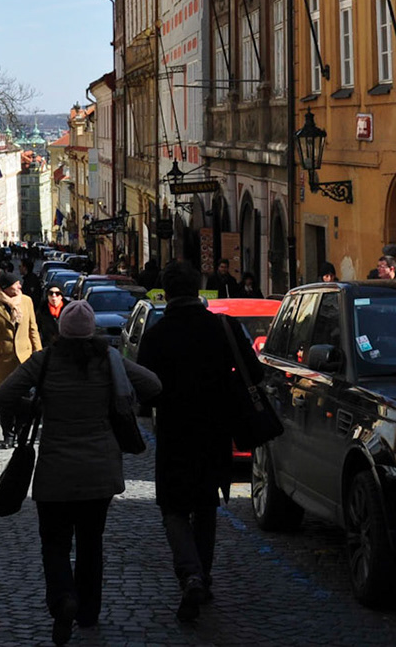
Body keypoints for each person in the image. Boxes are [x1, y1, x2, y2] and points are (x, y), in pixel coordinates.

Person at [0, 300, 160, 645]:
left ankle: (63, 599)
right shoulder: (109, 360)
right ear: (92, 331)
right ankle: (87, 611)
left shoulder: (44, 361)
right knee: (90, 543)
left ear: (61, 332)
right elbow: (153, 385)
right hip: (99, 472)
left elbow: (6, 393)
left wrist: (35, 406)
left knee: (54, 543)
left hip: (55, 471)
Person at [137, 259, 261, 624]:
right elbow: (254, 372)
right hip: (215, 430)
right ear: (197, 289)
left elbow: (145, 392)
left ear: (166, 293)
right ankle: (201, 576)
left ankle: (191, 574)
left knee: (174, 508)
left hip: (175, 432)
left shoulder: (157, 335)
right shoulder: (223, 327)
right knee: (206, 506)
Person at [0, 272, 42, 446]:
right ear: (6, 287)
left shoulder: (26, 301)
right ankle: (8, 435)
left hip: (25, 361)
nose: (20, 286)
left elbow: (33, 330)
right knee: (5, 402)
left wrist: (39, 355)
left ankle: (20, 432)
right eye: (16, 284)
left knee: (25, 400)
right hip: (2, 362)